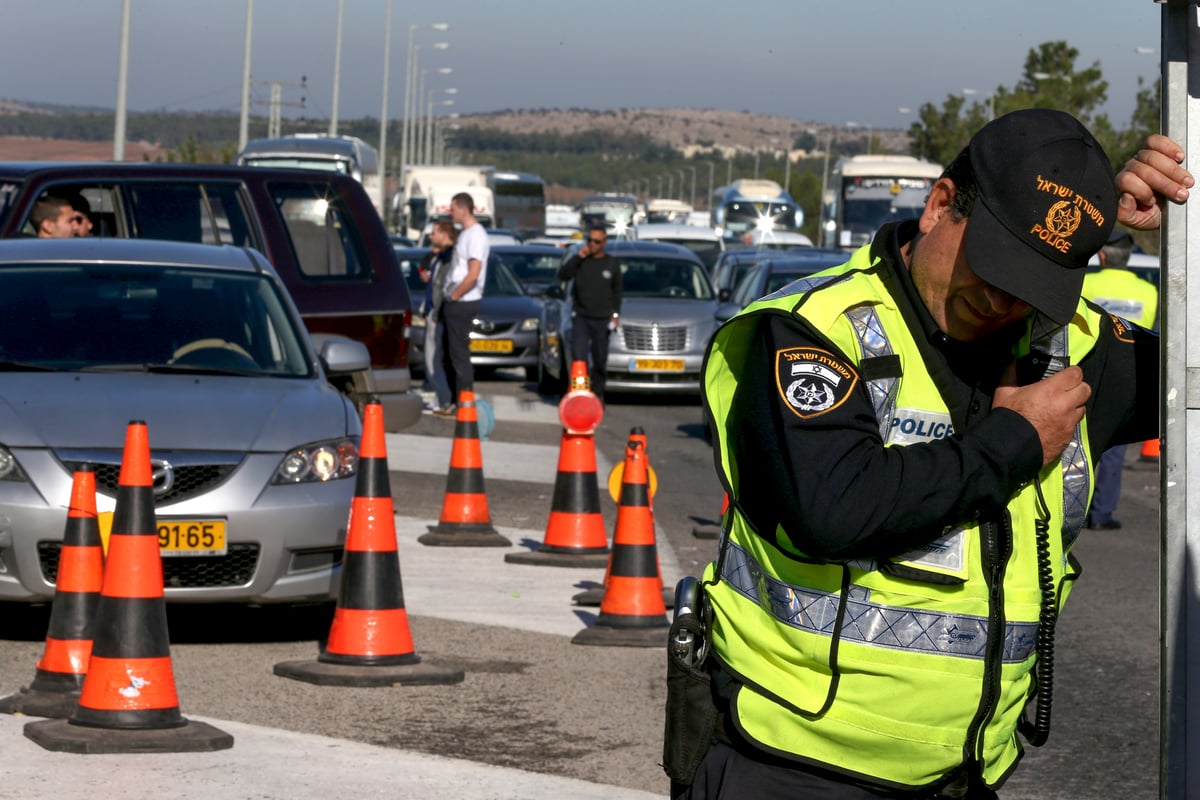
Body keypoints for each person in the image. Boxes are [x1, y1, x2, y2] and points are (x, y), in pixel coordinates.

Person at [667, 111, 1191, 799]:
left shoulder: (1072, 348)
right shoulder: (814, 330)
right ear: (939, 206)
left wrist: (1188, 238)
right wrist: (1014, 442)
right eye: (996, 266)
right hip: (791, 766)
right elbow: (834, 508)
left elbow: (1193, 365)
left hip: (965, 779)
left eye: (1035, 281)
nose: (1004, 299)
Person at [1079, 230, 1159, 531]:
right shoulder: (1148, 292)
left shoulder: (1087, 282)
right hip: (1126, 379)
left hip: (1083, 372)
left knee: (1070, 448)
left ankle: (1064, 514)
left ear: (1102, 256)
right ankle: (1101, 514)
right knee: (1113, 453)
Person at [556, 224, 622, 400]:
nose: (592, 244)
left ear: (604, 243)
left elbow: (617, 292)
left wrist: (615, 315)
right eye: (590, 240)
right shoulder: (581, 261)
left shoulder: (612, 263)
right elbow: (563, 275)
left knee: (600, 360)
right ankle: (580, 393)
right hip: (581, 318)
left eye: (596, 241)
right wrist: (578, 257)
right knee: (579, 357)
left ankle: (598, 394)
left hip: (602, 319)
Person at [438, 191, 489, 416]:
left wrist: (457, 295)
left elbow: (474, 272)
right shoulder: (465, 234)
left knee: (459, 353)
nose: (451, 213)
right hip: (455, 299)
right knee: (448, 352)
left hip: (463, 301)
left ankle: (464, 401)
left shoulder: (476, 235)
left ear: (464, 209)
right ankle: (453, 399)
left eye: (453, 209)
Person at [421, 220, 457, 416]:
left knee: (433, 360)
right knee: (432, 360)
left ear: (444, 235)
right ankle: (442, 398)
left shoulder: (447, 258)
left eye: (434, 232)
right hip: (432, 312)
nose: (431, 236)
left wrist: (434, 314)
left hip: (437, 315)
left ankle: (445, 400)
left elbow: (440, 287)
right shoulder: (438, 257)